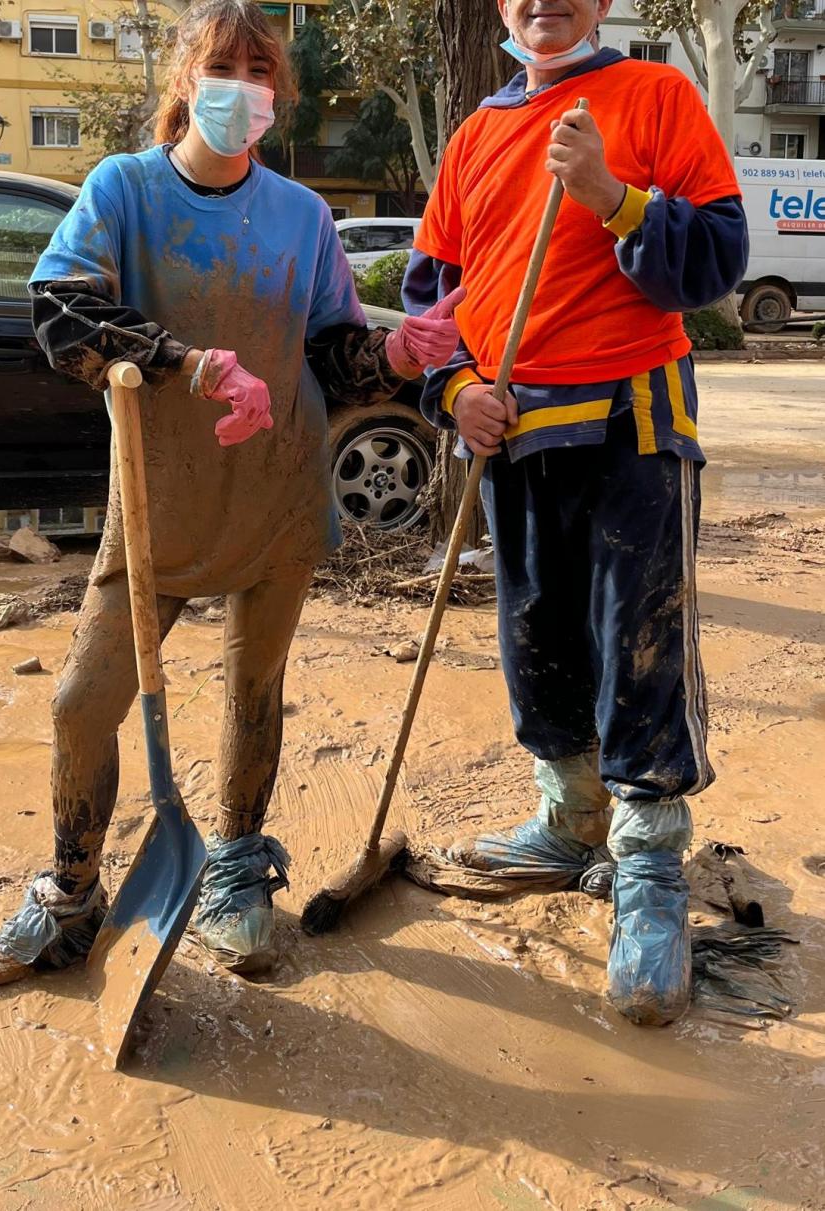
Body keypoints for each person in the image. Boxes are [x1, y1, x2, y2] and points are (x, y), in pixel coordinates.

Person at [0, 0, 464, 986]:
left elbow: (329, 350)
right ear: (187, 80)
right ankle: (70, 891)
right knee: (77, 703)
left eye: (260, 71)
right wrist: (184, 362)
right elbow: (60, 310)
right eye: (222, 66)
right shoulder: (126, 191)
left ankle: (235, 868)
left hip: (277, 494)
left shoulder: (302, 215)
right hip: (159, 506)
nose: (242, 87)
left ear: (277, 92)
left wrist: (393, 351)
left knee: (252, 692)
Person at [403, 0, 748, 1024]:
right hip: (514, 424)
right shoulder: (474, 135)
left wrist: (612, 197)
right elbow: (433, 294)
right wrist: (455, 385)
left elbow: (718, 261)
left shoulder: (653, 95)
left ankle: (646, 863)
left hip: (632, 420)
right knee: (535, 633)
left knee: (638, 640)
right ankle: (569, 818)